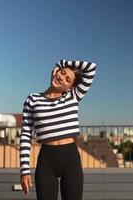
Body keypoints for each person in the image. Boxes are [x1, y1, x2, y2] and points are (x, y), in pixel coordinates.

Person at [19, 59, 96, 200]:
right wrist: (25, 170)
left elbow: (91, 68)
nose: (61, 77)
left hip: (70, 160)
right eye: (61, 73)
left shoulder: (73, 96)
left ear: (69, 87)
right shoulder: (32, 99)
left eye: (67, 79)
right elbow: (25, 135)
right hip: (46, 161)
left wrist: (62, 63)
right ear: (55, 72)